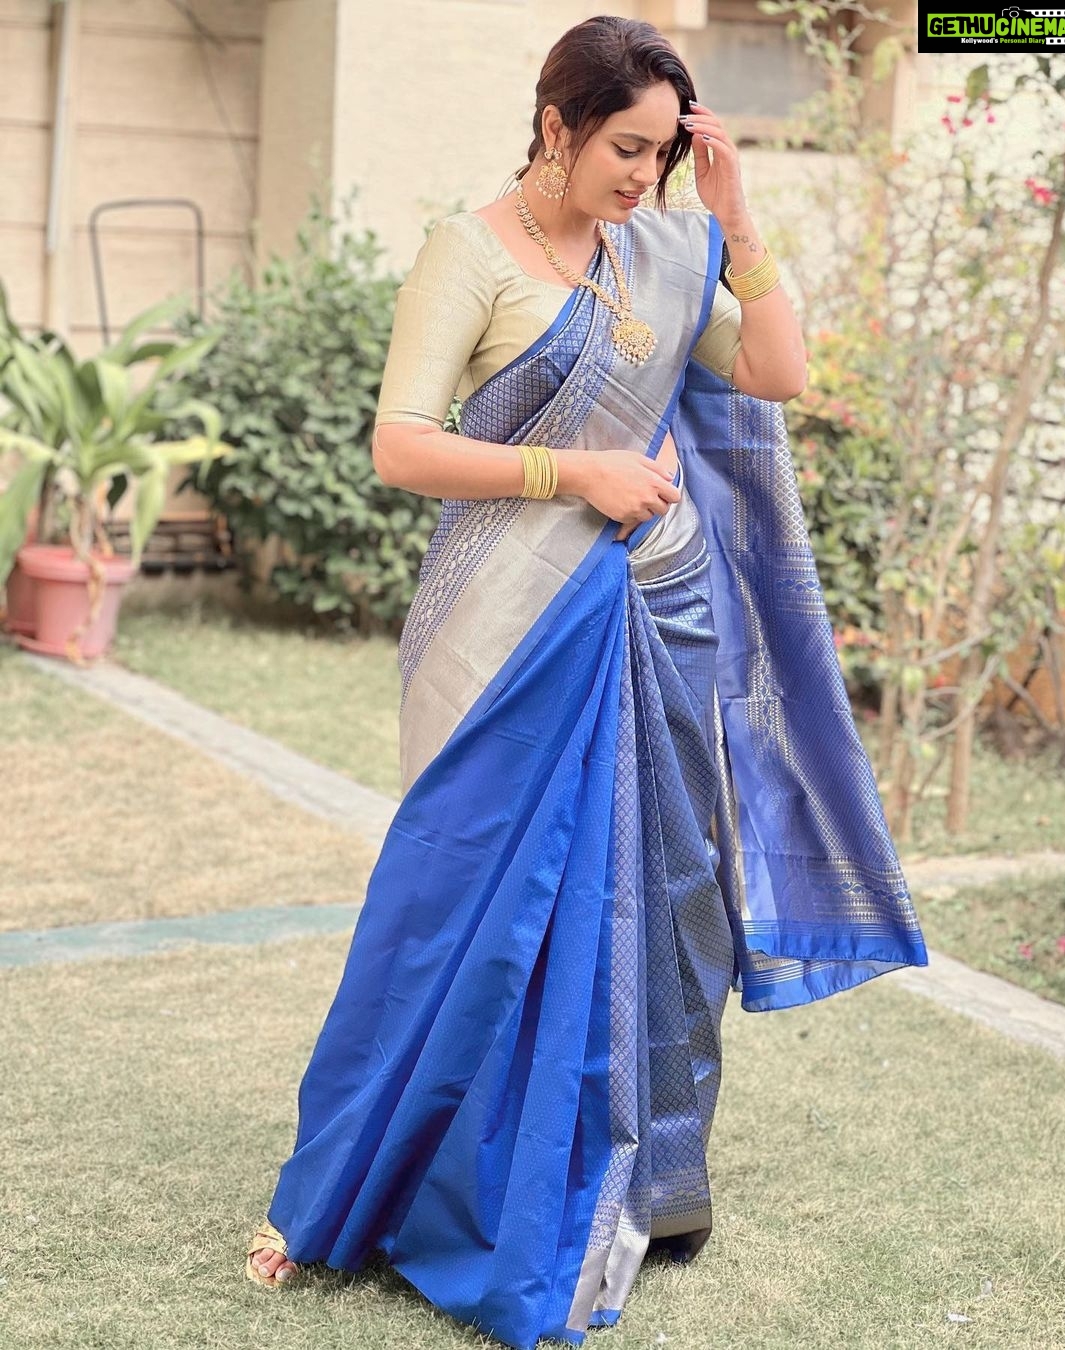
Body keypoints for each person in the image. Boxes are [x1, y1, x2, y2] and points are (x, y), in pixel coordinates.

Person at [245, 15, 927, 1349]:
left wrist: (734, 217)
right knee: (474, 918)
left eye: (664, 152)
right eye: (626, 147)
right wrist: (577, 471)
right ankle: (416, 1187)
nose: (644, 175)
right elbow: (401, 445)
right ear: (555, 126)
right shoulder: (469, 254)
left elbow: (779, 372)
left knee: (666, 903)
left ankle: (644, 1185)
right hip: (503, 632)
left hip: (654, 623)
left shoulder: (665, 250)